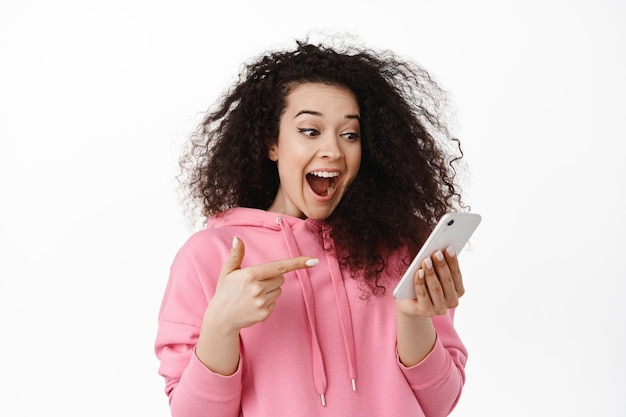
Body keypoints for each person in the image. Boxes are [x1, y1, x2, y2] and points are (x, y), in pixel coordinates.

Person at [155, 34, 470, 417]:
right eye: (310, 131)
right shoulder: (209, 256)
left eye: (350, 134)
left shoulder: (402, 247)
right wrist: (221, 326)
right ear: (272, 143)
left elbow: (440, 404)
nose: (333, 150)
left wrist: (413, 316)